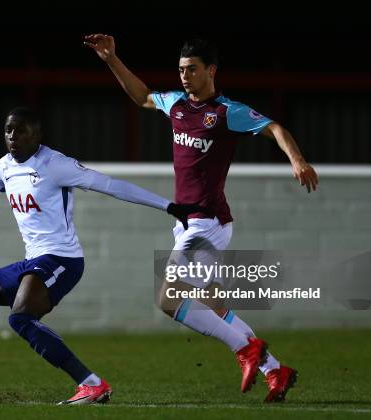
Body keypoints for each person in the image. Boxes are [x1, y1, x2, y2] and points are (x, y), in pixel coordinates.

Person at [0, 107, 203, 405]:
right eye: (8, 130)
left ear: (37, 135)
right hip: (34, 261)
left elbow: (109, 185)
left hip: (61, 260)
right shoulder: (5, 167)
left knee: (20, 318)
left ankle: (91, 384)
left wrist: (168, 206)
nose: (12, 136)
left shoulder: (56, 165)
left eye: (21, 131)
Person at [85, 35, 318, 402]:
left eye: (192, 69)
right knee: (213, 304)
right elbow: (142, 96)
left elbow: (275, 127)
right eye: (180, 70)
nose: (184, 76)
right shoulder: (176, 104)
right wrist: (112, 59)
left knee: (168, 298)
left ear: (211, 70)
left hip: (207, 224)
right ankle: (276, 371)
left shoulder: (227, 112)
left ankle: (246, 351)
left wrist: (297, 159)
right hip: (189, 223)